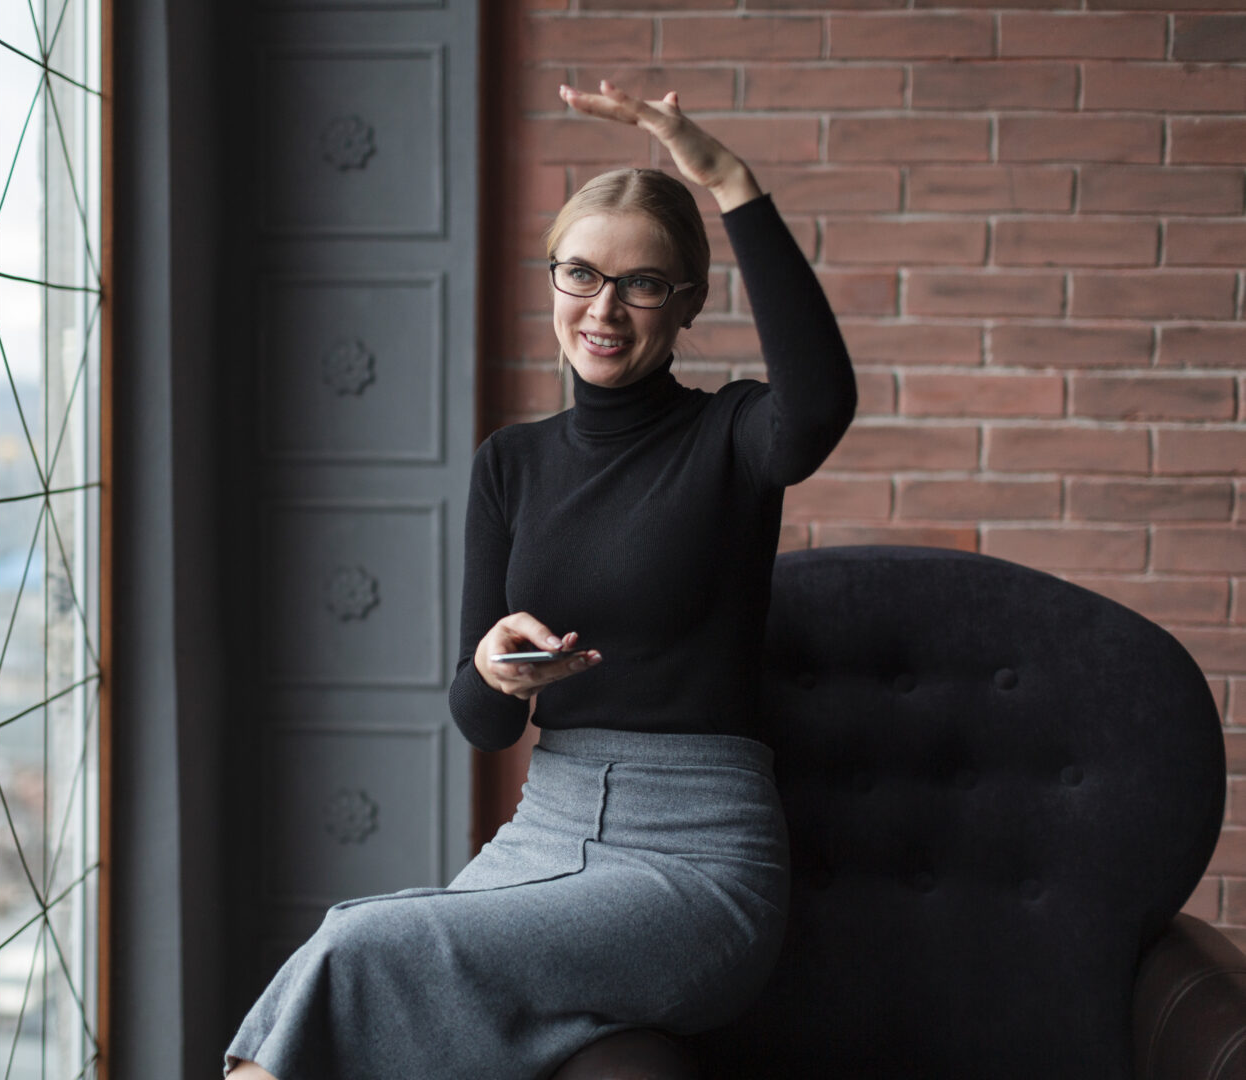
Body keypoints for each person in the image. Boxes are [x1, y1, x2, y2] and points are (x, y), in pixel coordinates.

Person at [224, 79, 857, 1080]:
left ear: (687, 302)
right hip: (543, 834)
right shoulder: (510, 464)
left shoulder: (731, 433)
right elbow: (483, 724)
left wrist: (730, 180)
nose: (604, 308)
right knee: (383, 980)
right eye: (582, 274)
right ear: (553, 279)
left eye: (642, 284)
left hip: (697, 862)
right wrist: (492, 671)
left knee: (358, 944)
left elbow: (819, 406)